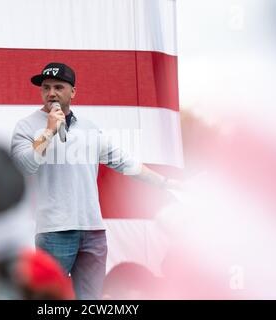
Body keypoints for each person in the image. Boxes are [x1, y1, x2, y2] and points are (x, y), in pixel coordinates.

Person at [10, 62, 181, 299]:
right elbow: (25, 165)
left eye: (58, 87)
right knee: (48, 301)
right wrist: (49, 132)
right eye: (46, 87)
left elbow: (125, 162)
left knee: (91, 300)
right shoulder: (27, 126)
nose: (51, 93)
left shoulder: (89, 128)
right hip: (54, 232)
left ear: (73, 92)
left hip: (93, 232)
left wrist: (165, 183)